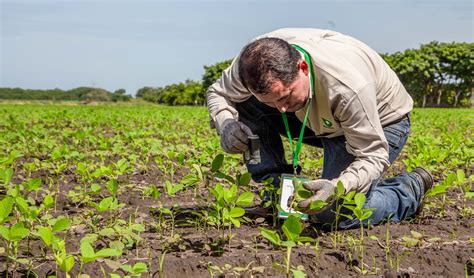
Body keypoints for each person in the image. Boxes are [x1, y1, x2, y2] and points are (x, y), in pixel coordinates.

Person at [206, 28, 433, 229]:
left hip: (378, 123)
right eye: (271, 101)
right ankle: (276, 193)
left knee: (332, 213)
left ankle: (407, 190)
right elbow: (218, 93)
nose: (281, 109)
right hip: (314, 116)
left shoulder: (347, 88)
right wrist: (226, 123)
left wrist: (338, 187)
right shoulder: (252, 64)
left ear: (302, 67)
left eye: (286, 96)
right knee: (242, 105)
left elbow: (372, 156)